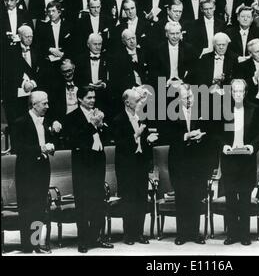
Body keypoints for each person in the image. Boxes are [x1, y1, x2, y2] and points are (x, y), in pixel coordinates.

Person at [64, 86, 114, 253]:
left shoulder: (98, 114)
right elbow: (73, 140)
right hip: (82, 164)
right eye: (88, 98)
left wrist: (100, 125)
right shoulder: (72, 117)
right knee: (83, 203)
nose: (92, 100)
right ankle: (83, 241)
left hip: (97, 162)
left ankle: (96, 237)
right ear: (80, 99)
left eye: (93, 97)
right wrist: (92, 124)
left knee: (97, 200)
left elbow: (106, 137)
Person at [13, 91, 61, 253]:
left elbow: (51, 142)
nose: (47, 106)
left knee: (39, 207)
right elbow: (18, 148)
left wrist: (54, 140)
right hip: (26, 171)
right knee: (27, 208)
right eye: (44, 103)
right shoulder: (20, 122)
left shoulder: (46, 121)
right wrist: (41, 148)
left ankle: (35, 243)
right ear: (34, 104)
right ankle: (28, 247)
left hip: (43, 169)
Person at [220, 79, 259, 245]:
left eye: (241, 91)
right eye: (234, 91)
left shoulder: (255, 109)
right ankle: (232, 234)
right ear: (230, 92)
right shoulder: (223, 110)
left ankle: (245, 235)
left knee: (245, 197)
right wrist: (223, 146)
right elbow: (217, 134)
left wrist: (252, 147)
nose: (237, 94)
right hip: (229, 159)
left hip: (247, 160)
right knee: (230, 197)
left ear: (245, 93)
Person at [112, 88, 158, 245]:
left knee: (141, 198)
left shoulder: (141, 118)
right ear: (127, 102)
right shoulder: (118, 120)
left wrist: (148, 140)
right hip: (126, 166)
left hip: (140, 164)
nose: (140, 103)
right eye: (137, 101)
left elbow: (144, 143)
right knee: (129, 199)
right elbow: (120, 145)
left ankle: (139, 233)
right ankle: (129, 234)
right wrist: (136, 135)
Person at [167, 83, 211, 245]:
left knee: (196, 197)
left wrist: (201, 136)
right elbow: (167, 135)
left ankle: (194, 233)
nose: (189, 100)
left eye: (190, 97)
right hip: (179, 161)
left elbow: (210, 132)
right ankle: (182, 234)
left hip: (198, 161)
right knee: (182, 197)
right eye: (185, 98)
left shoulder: (201, 111)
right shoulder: (170, 113)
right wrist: (186, 136)